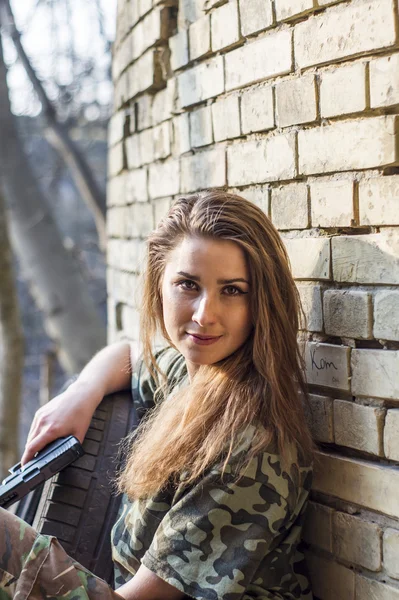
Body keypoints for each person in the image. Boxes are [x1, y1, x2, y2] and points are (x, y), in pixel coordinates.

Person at [0, 190, 314, 600]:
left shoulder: (250, 448)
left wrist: (10, 545)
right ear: (159, 286)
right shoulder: (199, 374)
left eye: (233, 290)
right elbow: (128, 355)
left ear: (262, 302)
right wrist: (80, 393)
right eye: (188, 284)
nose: (205, 314)